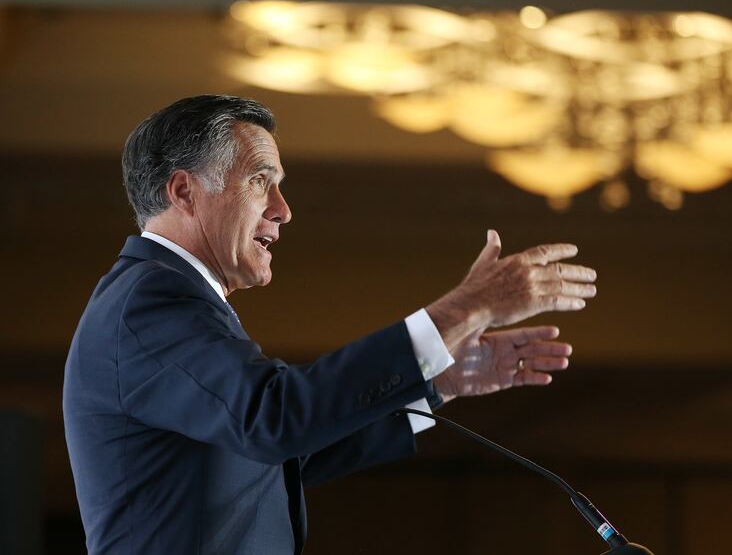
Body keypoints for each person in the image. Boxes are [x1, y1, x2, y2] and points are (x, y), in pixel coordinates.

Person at [63, 95, 597, 554]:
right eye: (260, 181)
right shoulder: (150, 302)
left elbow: (284, 453)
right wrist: (462, 310)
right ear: (184, 193)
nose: (283, 209)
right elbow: (273, 419)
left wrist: (440, 381)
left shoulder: (162, 298)